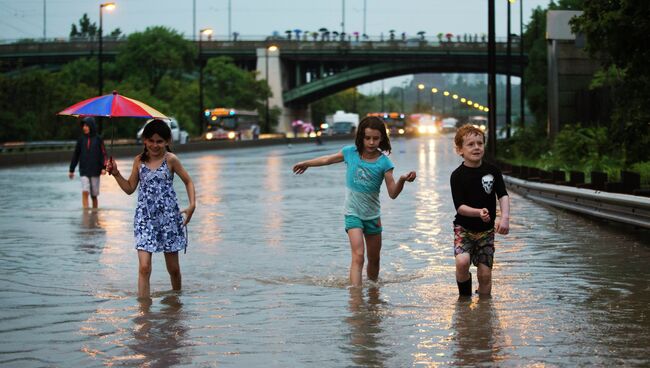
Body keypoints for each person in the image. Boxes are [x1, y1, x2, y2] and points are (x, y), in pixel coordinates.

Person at [293, 116, 416, 286]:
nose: (371, 142)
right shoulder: (350, 153)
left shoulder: (384, 163)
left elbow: (393, 193)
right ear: (361, 137)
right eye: (367, 138)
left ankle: (373, 292)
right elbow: (327, 159)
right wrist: (307, 163)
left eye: (376, 138)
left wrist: (402, 179)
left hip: (373, 216)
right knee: (358, 255)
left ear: (382, 139)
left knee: (374, 260)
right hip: (353, 214)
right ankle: (356, 299)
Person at [105, 119, 196, 298]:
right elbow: (130, 188)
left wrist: (192, 205)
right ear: (144, 140)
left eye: (160, 141)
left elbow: (188, 181)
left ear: (167, 141)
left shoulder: (171, 160)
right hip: (145, 220)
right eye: (151, 140)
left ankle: (176, 303)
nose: (155, 145)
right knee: (144, 267)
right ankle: (144, 313)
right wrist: (116, 174)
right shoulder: (138, 161)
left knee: (174, 269)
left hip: (168, 219)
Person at [450, 124, 510, 297]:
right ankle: (464, 300)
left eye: (480, 143)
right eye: (470, 144)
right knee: (462, 262)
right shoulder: (457, 175)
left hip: (486, 231)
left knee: (485, 275)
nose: (476, 147)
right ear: (460, 150)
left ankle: (484, 310)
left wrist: (504, 218)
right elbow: (460, 207)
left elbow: (503, 195)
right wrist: (478, 212)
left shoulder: (493, 171)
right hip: (464, 229)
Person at [69, 117, 107, 209]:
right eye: (83, 125)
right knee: (85, 190)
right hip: (83, 170)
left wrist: (104, 167)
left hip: (95, 170)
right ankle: (85, 213)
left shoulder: (98, 139)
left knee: (94, 195)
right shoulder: (81, 139)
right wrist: (71, 169)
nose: (84, 127)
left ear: (91, 126)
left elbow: (103, 154)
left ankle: (94, 213)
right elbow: (76, 155)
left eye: (86, 125)